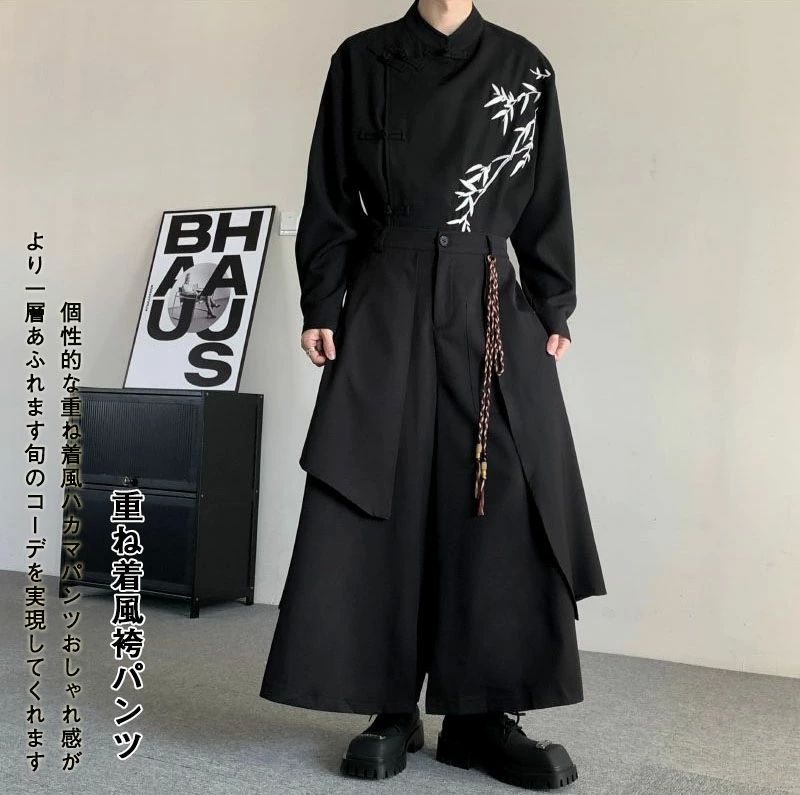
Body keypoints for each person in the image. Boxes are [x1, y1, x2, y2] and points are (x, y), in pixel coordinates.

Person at [260, 0, 607, 789]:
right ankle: (390, 705)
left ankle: (482, 716)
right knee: (380, 487)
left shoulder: (524, 66)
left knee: (501, 497)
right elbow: (329, 191)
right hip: (388, 289)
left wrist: (553, 299)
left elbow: (545, 192)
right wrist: (322, 300)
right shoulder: (361, 59)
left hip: (488, 290)